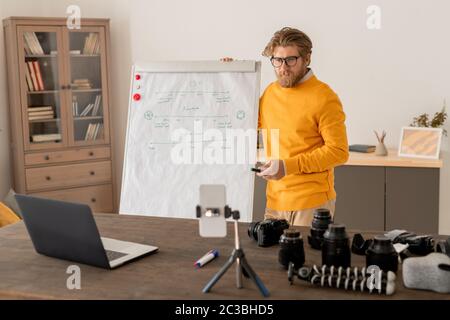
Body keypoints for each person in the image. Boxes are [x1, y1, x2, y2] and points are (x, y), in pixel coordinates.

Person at [222, 27, 349, 226]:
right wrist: (229, 78)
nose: (283, 67)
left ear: (307, 58)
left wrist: (287, 166)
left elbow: (339, 152)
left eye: (291, 60)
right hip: (274, 201)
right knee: (271, 258)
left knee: (305, 258)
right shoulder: (270, 94)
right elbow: (242, 126)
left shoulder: (325, 97)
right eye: (277, 60)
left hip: (312, 203)